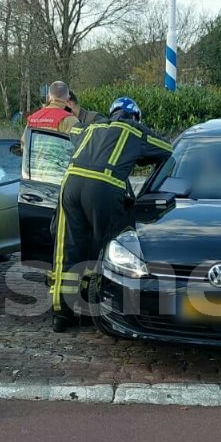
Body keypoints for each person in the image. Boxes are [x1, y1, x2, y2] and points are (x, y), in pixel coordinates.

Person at [50, 96, 172, 332]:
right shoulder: (134, 130)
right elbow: (166, 149)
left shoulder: (91, 127)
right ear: (135, 116)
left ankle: (60, 314)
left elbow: (71, 133)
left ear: (112, 112)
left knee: (66, 248)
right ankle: (98, 307)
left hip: (71, 184)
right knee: (105, 247)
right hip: (105, 188)